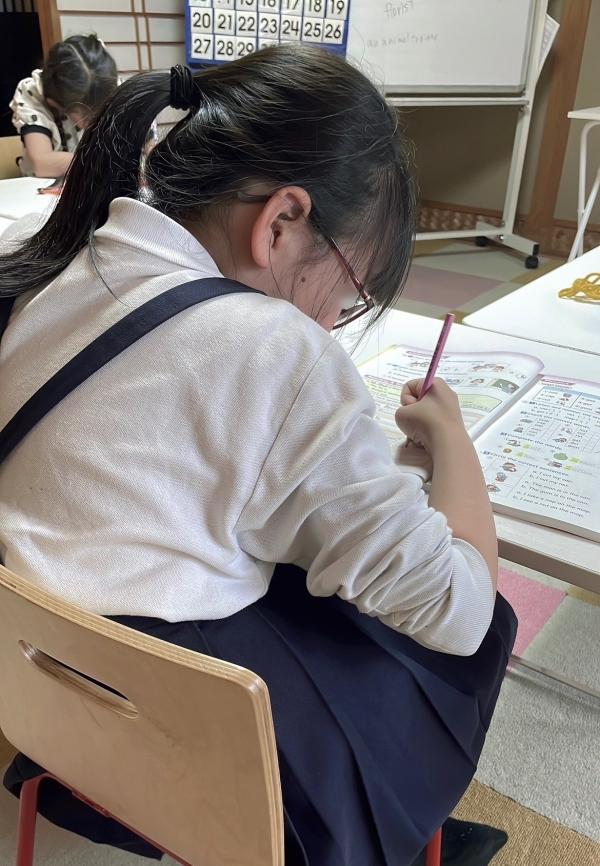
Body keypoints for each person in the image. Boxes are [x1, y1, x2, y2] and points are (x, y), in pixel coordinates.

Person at [0, 46, 516, 866]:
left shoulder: (58, 257)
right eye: (348, 291)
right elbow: (458, 614)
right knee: (480, 624)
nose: (332, 320)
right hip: (195, 758)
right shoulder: (277, 353)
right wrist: (453, 446)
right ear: (280, 223)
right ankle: (387, 824)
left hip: (51, 700)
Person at [9, 34, 118, 178]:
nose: (94, 119)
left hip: (91, 179)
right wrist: (105, 162)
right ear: (55, 103)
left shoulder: (107, 85)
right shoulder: (32, 92)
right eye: (86, 116)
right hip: (45, 185)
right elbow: (42, 163)